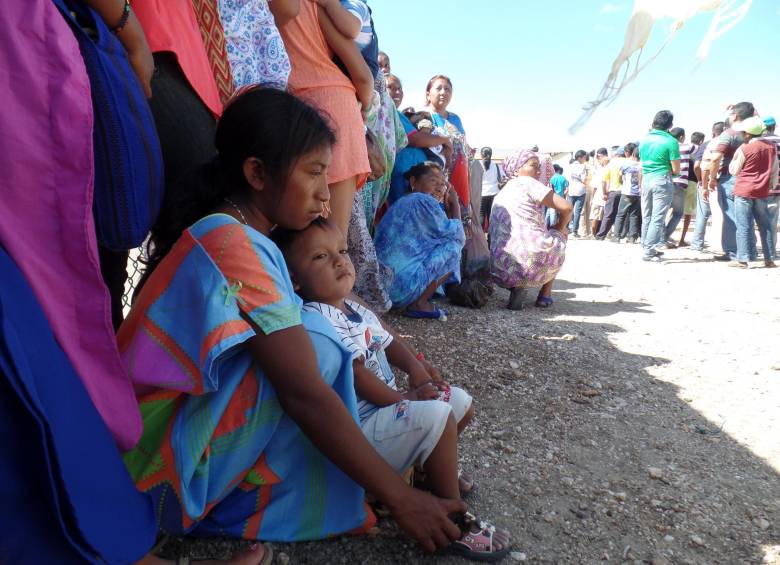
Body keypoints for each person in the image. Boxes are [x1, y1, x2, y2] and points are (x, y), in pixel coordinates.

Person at [121, 88, 471, 556]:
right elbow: (303, 394)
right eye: (314, 172)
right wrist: (400, 497)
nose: (326, 194)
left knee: (310, 348)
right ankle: (229, 505)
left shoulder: (232, 231)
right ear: (258, 173)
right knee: (319, 351)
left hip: (146, 448)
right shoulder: (237, 245)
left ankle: (309, 485)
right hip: (154, 473)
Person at [278, 0, 373, 236]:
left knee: (292, 236)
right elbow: (363, 76)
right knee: (332, 237)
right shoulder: (315, 5)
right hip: (337, 104)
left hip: (285, 107)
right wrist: (364, 108)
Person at [374, 162, 465, 319]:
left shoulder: (404, 202)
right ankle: (419, 303)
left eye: (443, 185)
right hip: (398, 290)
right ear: (413, 182)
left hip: (379, 287)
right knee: (453, 247)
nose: (439, 188)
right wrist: (455, 203)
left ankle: (418, 299)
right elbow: (459, 235)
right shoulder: (423, 201)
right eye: (433, 181)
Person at [490, 150, 572, 310]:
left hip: (499, 269)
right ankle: (545, 294)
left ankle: (516, 287)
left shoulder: (501, 192)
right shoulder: (527, 182)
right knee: (562, 233)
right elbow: (567, 208)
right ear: (516, 169)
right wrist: (560, 227)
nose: (539, 171)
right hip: (532, 263)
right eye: (534, 166)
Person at [386, 76, 453, 205]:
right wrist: (445, 140)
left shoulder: (398, 114)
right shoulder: (393, 112)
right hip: (404, 176)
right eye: (391, 88)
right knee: (409, 212)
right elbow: (415, 139)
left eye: (400, 88)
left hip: (416, 179)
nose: (398, 92)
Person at [729, 116, 778, 268]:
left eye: (742, 132)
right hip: (762, 191)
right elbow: (775, 170)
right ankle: (769, 259)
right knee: (766, 225)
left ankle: (743, 259)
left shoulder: (744, 148)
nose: (741, 135)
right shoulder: (771, 147)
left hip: (744, 191)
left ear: (748, 134)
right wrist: (772, 185)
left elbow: (734, 170)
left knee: (743, 225)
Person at [708, 101, 755, 261]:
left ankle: (734, 252)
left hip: (729, 177)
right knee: (746, 215)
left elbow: (715, 158)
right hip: (750, 177)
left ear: (735, 116)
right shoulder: (754, 133)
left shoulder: (729, 134)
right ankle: (749, 250)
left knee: (730, 216)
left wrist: (712, 178)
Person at [638, 110, 681, 262]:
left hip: (646, 179)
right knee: (658, 217)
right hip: (662, 179)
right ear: (670, 125)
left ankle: (646, 245)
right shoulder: (671, 141)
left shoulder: (644, 140)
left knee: (647, 215)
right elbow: (676, 169)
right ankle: (649, 250)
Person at [423, 75, 471, 206]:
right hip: (437, 179)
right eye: (439, 88)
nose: (444, 92)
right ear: (428, 94)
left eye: (447, 89)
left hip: (460, 176)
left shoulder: (455, 118)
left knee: (460, 217)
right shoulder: (423, 116)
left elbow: (463, 147)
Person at [690, 122, 726, 252]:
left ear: (713, 132)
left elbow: (697, 165)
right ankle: (724, 245)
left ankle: (697, 245)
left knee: (702, 214)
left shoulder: (706, 144)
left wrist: (701, 180)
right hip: (723, 182)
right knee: (723, 215)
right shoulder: (729, 144)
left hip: (707, 182)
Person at [662, 127, 693, 247]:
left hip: (667, 181)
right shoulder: (687, 147)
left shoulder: (666, 147)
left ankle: (660, 237)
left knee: (662, 212)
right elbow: (698, 146)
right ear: (681, 137)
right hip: (680, 184)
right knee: (678, 213)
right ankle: (664, 237)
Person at [596, 145, 634, 239]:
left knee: (608, 214)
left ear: (616, 154)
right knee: (624, 215)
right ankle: (623, 235)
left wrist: (604, 192)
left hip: (613, 191)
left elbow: (604, 180)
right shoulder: (629, 162)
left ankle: (601, 235)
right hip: (626, 191)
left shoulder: (612, 163)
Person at [678, 131, 706, 246]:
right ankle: (681, 239)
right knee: (688, 213)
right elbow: (699, 167)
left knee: (674, 210)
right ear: (701, 141)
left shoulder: (684, 149)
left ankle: (667, 236)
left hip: (679, 181)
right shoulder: (700, 151)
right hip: (692, 183)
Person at [612, 146, 642, 243]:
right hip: (638, 194)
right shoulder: (642, 165)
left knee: (621, 214)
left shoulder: (626, 165)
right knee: (634, 215)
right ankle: (632, 237)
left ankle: (616, 236)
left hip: (627, 193)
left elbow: (620, 177)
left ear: (633, 154)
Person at [762, 116, 780, 260]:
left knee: (754, 218)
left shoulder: (758, 142)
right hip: (776, 186)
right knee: (772, 220)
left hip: (758, 185)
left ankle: (753, 249)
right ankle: (771, 251)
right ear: (775, 126)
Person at [480, 147, 504, 229]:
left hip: (482, 193)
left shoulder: (478, 165)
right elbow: (502, 178)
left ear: (481, 155)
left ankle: (481, 238)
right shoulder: (496, 166)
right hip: (494, 194)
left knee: (481, 216)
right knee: (491, 216)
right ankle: (491, 238)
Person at [588, 148, 610, 238]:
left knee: (597, 219)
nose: (598, 159)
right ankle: (596, 235)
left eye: (599, 157)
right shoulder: (602, 169)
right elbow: (594, 186)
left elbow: (594, 186)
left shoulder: (603, 169)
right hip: (601, 198)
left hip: (602, 198)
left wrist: (591, 199)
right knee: (597, 219)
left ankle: (596, 235)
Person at [567, 150, 589, 237]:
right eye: (584, 157)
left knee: (569, 211)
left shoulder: (570, 166)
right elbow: (584, 179)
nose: (585, 159)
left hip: (571, 190)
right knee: (577, 212)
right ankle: (575, 231)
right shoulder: (582, 166)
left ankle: (566, 228)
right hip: (580, 191)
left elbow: (567, 178)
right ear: (580, 157)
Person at [547, 164, 569, 228]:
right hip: (561, 198)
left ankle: (549, 227)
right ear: (559, 170)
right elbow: (567, 190)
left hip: (552, 198)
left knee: (550, 213)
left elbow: (549, 188)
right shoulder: (563, 178)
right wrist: (563, 195)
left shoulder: (551, 178)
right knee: (558, 214)